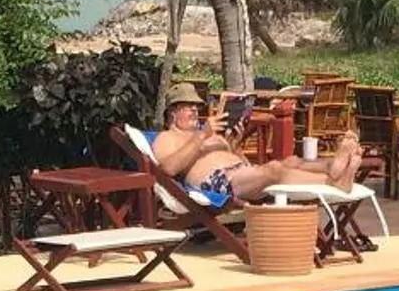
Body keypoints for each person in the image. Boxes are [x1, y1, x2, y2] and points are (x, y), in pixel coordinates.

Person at [147, 81, 364, 206]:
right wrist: (202, 136)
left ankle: (332, 166)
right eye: (188, 106)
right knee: (275, 169)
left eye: (196, 106)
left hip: (240, 172)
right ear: (173, 113)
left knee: (291, 160)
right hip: (218, 183)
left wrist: (236, 145)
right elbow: (169, 168)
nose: (195, 110)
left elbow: (239, 161)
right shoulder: (167, 138)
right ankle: (332, 183)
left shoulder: (208, 133)